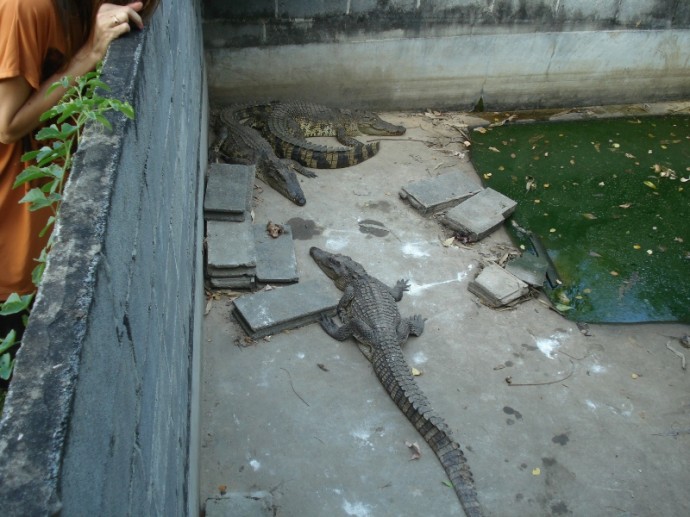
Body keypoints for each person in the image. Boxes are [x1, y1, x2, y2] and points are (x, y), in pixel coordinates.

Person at [0, 0, 159, 335]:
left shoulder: (88, 12)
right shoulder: (26, 8)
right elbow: (6, 124)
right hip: (11, 231)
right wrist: (87, 55)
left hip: (42, 211)